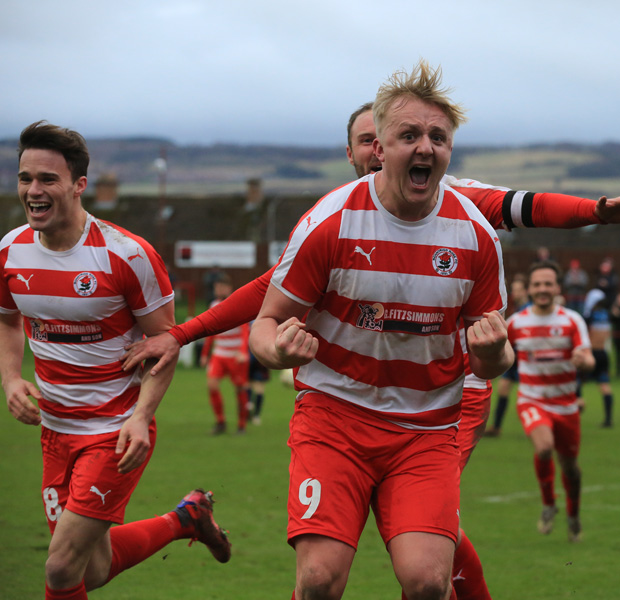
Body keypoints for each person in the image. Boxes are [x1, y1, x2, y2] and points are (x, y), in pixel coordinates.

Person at [123, 99, 620, 600]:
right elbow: (270, 292)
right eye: (369, 140)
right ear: (358, 152)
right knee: (334, 571)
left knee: (426, 564)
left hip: (449, 395)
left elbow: (528, 206)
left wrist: (595, 211)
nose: (385, 147)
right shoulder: (332, 220)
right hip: (344, 405)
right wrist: (187, 333)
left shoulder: (460, 208)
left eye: (414, 137)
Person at [247, 60, 515, 600]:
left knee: (427, 581)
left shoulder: (475, 237)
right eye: (409, 135)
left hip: (424, 431)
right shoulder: (330, 222)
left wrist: (494, 354)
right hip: (334, 419)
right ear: (380, 149)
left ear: (449, 152)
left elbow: (490, 361)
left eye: (438, 137)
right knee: (319, 580)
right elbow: (263, 324)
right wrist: (279, 351)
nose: (425, 147)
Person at [0, 122, 231, 600]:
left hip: (114, 430)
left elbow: (164, 345)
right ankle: (186, 518)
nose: (33, 191)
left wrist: (142, 417)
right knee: (92, 570)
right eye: (25, 179)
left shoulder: (128, 255)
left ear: (79, 185)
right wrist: (10, 380)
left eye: (48, 179)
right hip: (55, 431)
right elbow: (6, 321)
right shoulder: (9, 251)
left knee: (62, 568)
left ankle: (184, 516)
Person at [506, 261, 594, 542]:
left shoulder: (571, 320)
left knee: (571, 468)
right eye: (537, 285)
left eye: (548, 284)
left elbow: (589, 357)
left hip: (566, 404)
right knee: (544, 448)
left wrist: (584, 361)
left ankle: (573, 515)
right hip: (532, 399)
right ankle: (548, 503)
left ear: (557, 288)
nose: (542, 289)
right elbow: (500, 358)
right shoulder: (516, 324)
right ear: (529, 289)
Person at [200, 275, 251, 435]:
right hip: (219, 354)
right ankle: (220, 422)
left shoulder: (237, 304)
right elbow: (210, 331)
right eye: (217, 287)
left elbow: (244, 330)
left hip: (235, 355)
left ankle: (242, 424)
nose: (219, 290)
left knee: (240, 389)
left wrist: (243, 352)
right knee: (212, 386)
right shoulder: (213, 305)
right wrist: (204, 354)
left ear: (229, 288)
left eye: (222, 287)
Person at [484, 274, 529, 438]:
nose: (515, 293)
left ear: (526, 291)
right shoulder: (516, 310)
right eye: (514, 290)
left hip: (526, 357)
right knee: (503, 388)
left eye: (519, 290)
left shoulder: (529, 310)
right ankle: (496, 427)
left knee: (532, 391)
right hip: (514, 355)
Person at [581, 285, 615, 427]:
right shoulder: (606, 315)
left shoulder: (589, 316)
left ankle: (574, 412)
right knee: (604, 385)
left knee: (576, 383)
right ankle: (608, 419)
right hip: (603, 353)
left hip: (591, 353)